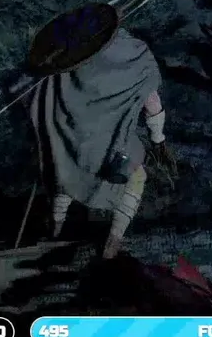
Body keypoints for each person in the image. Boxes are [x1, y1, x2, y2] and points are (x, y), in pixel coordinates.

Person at [28, 24, 175, 259]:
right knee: (137, 176)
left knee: (66, 169)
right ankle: (113, 240)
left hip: (70, 138)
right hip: (110, 147)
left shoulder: (68, 52)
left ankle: (56, 226)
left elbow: (42, 92)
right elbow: (153, 104)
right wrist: (158, 140)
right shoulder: (137, 56)